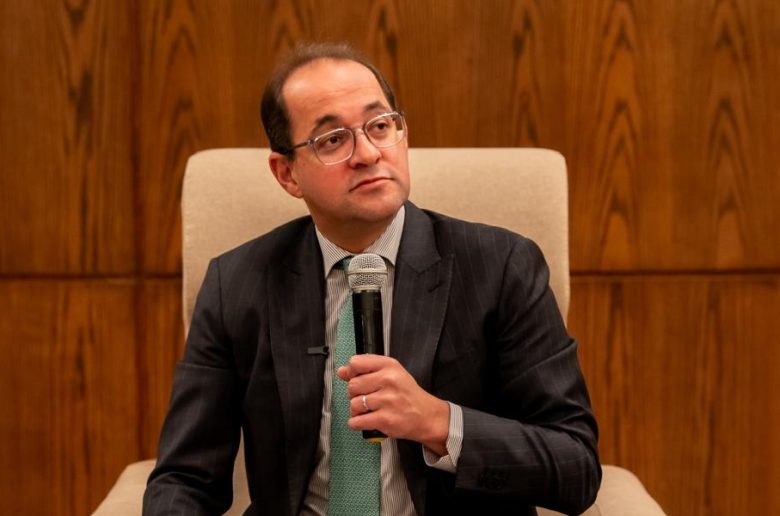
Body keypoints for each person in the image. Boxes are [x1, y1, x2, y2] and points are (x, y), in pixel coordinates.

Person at [143, 42, 600, 516]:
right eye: (332, 140)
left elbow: (576, 466)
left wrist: (438, 422)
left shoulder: (501, 266)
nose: (366, 153)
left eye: (379, 126)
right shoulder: (236, 283)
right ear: (287, 174)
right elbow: (185, 479)